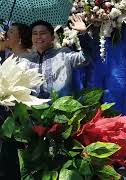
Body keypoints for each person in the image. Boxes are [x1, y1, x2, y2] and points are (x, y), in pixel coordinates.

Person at [27, 15, 93, 98]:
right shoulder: (27, 60)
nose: (38, 36)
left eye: (43, 33)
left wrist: (83, 34)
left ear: (52, 37)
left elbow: (85, 58)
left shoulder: (63, 54)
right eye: (35, 34)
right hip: (34, 109)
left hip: (61, 107)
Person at [0, 23, 32, 180]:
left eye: (11, 32)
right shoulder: (8, 55)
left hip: (19, 114)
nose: (7, 33)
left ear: (20, 39)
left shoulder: (27, 59)